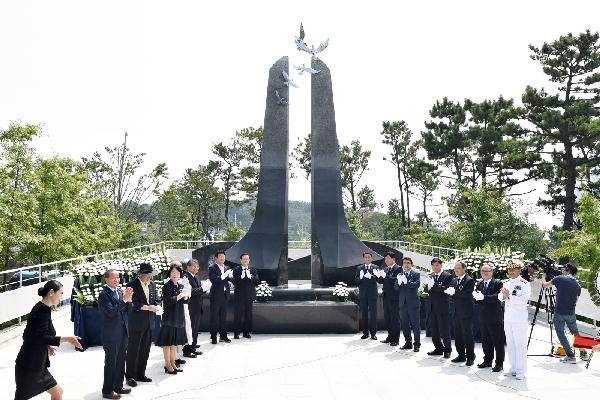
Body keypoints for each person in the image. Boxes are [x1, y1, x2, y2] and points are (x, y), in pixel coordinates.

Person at [14, 280, 82, 400]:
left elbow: (29, 335)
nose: (62, 297)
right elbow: (40, 337)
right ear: (51, 292)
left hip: (35, 366)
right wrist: (68, 339)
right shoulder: (42, 310)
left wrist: (46, 346)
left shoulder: (41, 307)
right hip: (30, 367)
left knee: (58, 392)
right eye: (60, 293)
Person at [98, 269, 134, 399]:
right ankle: (107, 390)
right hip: (111, 334)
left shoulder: (120, 292)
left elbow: (128, 311)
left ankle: (118, 386)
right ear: (106, 279)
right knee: (111, 362)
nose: (116, 280)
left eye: (118, 277)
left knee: (120, 361)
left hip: (123, 331)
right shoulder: (103, 295)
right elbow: (111, 312)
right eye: (113, 277)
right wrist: (124, 300)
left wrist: (129, 301)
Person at [125, 263, 159, 387]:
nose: (150, 277)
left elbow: (156, 299)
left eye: (150, 275)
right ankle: (130, 376)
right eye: (147, 275)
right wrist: (147, 307)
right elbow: (131, 304)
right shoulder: (131, 285)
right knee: (133, 350)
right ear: (140, 275)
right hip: (136, 322)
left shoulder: (153, 284)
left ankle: (140, 374)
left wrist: (156, 305)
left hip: (149, 322)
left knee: (145, 349)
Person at [542, 263, 582, 364]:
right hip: (571, 313)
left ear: (567, 270)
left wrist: (543, 277)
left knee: (561, 333)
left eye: (563, 269)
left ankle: (570, 356)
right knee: (575, 333)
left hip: (560, 312)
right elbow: (575, 301)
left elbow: (545, 285)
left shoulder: (559, 278)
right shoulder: (578, 285)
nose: (561, 271)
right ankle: (583, 353)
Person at [499, 259, 531, 380]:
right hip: (508, 318)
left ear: (519, 270)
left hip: (519, 318)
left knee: (520, 344)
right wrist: (503, 296)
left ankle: (521, 370)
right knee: (510, 343)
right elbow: (500, 296)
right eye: (509, 269)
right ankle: (513, 367)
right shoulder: (506, 282)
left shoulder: (524, 283)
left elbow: (523, 300)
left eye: (513, 269)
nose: (510, 271)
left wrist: (509, 297)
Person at [156, 264, 189, 374]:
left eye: (177, 273)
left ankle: (173, 363)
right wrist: (180, 296)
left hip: (178, 317)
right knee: (167, 343)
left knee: (174, 343)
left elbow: (184, 302)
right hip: (169, 318)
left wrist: (186, 297)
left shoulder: (180, 285)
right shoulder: (167, 286)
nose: (175, 275)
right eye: (173, 272)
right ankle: (167, 364)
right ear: (169, 274)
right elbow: (169, 300)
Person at [472, 263, 505, 372]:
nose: (485, 273)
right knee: (486, 341)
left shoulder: (498, 283)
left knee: (498, 341)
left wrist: (484, 297)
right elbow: (477, 298)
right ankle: (487, 360)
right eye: (483, 271)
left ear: (492, 272)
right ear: (480, 272)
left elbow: (497, 297)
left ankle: (499, 363)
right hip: (482, 316)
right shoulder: (480, 283)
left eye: (487, 271)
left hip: (495, 316)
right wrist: (475, 298)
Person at [445, 260, 475, 365]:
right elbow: (451, 295)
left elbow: (467, 295)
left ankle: (470, 357)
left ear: (464, 269)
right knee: (457, 334)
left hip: (466, 312)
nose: (456, 270)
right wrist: (449, 294)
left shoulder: (469, 280)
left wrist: (455, 292)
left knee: (467, 334)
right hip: (455, 311)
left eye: (458, 268)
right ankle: (461, 355)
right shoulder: (453, 280)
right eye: (455, 268)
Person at [426, 257, 453, 358]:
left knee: (445, 330)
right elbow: (428, 289)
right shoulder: (431, 275)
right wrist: (428, 286)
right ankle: (438, 348)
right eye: (433, 265)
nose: (435, 267)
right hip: (432, 307)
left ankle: (447, 350)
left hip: (443, 307)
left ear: (441, 265)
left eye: (437, 265)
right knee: (435, 330)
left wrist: (435, 286)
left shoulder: (447, 276)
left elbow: (446, 289)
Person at [395, 257, 421, 352]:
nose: (406, 264)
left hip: (413, 303)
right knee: (405, 324)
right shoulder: (400, 274)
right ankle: (408, 343)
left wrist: (407, 282)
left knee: (415, 325)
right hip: (403, 303)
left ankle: (417, 344)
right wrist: (398, 282)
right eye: (405, 263)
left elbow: (416, 285)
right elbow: (396, 288)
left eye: (408, 263)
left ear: (411, 264)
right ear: (402, 264)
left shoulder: (416, 274)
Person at [232, 253, 260, 339]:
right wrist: (241, 277)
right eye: (244, 259)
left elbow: (257, 281)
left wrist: (251, 277)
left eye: (247, 259)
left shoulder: (253, 270)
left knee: (248, 315)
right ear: (240, 260)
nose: (245, 260)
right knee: (238, 315)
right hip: (239, 296)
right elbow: (234, 282)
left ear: (249, 260)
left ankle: (246, 333)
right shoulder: (236, 269)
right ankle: (236, 333)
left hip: (249, 295)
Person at [209, 250, 234, 344]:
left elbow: (230, 279)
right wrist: (223, 276)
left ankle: (223, 336)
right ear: (216, 258)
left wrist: (231, 276)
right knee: (214, 317)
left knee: (223, 317)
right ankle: (213, 337)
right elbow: (213, 280)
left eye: (223, 256)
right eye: (220, 256)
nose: (222, 258)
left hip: (225, 295)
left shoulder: (227, 267)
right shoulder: (212, 267)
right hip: (216, 296)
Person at [378, 251, 401, 346]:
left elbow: (396, 281)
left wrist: (386, 277)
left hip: (394, 297)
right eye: (385, 258)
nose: (386, 260)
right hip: (386, 296)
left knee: (395, 318)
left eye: (388, 258)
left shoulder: (399, 268)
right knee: (387, 317)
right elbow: (381, 281)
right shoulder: (385, 269)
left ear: (393, 259)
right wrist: (379, 276)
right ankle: (390, 336)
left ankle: (396, 339)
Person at [182, 259, 204, 357]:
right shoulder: (185, 277)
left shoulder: (197, 277)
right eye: (194, 266)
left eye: (197, 266)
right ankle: (187, 350)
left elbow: (198, 291)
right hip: (190, 307)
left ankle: (193, 347)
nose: (196, 268)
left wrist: (204, 288)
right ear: (188, 267)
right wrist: (202, 289)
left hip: (198, 306)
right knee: (189, 329)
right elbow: (190, 291)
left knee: (195, 329)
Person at [355, 251, 378, 340]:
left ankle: (373, 334)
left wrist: (373, 276)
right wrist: (360, 277)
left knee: (373, 314)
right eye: (366, 257)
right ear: (363, 258)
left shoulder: (375, 267)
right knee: (364, 314)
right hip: (363, 294)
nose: (367, 259)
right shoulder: (359, 268)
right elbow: (356, 281)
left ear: (371, 258)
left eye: (369, 257)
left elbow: (379, 279)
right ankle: (365, 333)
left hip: (372, 294)